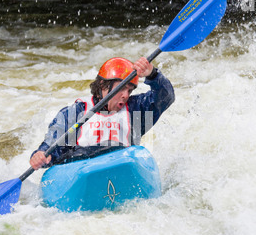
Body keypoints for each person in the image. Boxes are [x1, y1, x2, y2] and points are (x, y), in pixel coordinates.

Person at [30, 56, 174, 170]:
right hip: (83, 171)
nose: (125, 95)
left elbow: (166, 97)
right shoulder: (75, 113)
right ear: (103, 85)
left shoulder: (136, 110)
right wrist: (41, 155)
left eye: (130, 90)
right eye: (122, 88)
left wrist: (153, 75)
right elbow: (51, 148)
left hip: (122, 170)